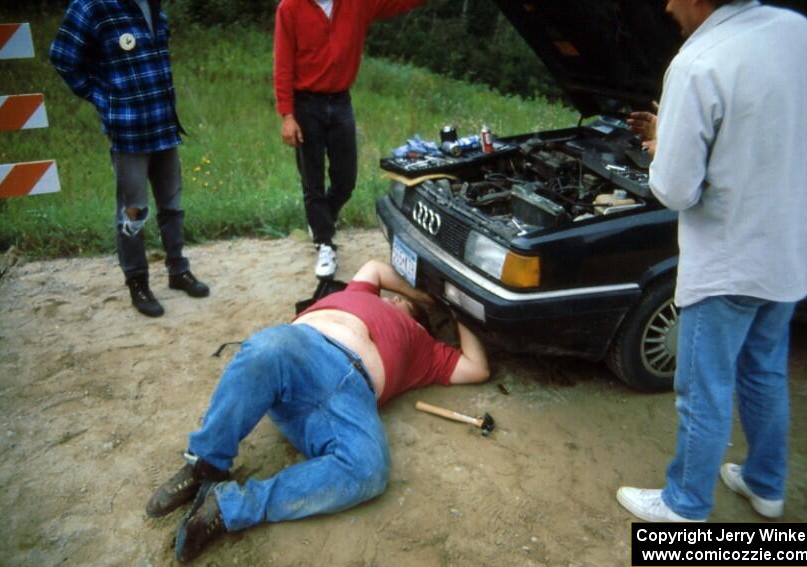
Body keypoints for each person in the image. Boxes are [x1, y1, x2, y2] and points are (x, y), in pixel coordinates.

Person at [146, 259, 490, 562]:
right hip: (301, 351)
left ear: (419, 323)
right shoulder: (363, 292)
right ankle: (205, 465)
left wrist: (460, 310)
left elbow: (477, 368)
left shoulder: (425, 348)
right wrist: (424, 296)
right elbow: (375, 268)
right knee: (266, 348)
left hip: (350, 398)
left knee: (369, 470)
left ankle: (227, 506)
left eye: (403, 303)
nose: (395, 298)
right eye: (395, 296)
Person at [617, 0, 807, 522]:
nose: (665, 5)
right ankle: (766, 485)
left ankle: (685, 505)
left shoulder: (697, 61)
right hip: (790, 248)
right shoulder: (798, 31)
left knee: (703, 387)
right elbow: (770, 128)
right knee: (765, 369)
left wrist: (663, 146)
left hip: (730, 259)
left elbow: (676, 189)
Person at [50, 0, 209, 318]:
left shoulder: (152, 4)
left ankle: (178, 270)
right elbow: (62, 57)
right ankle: (137, 281)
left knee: (173, 205)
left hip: (163, 123)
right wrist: (101, 97)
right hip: (128, 131)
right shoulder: (92, 7)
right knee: (134, 211)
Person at [274, 0, 426, 279]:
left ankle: (320, 220)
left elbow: (397, 3)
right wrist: (287, 114)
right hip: (306, 105)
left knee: (346, 180)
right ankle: (324, 243)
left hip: (341, 102)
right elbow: (282, 63)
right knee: (313, 181)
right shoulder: (290, 7)